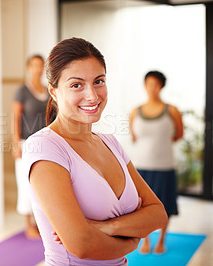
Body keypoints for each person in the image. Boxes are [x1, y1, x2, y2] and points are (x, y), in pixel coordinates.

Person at [22, 37, 168, 265]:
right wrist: (132, 240)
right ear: (53, 91)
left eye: (98, 81)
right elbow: (82, 245)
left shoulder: (110, 143)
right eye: (76, 85)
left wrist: (107, 227)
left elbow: (158, 213)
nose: (92, 95)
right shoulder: (44, 147)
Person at [129, 70, 183, 254]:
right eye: (149, 84)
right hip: (141, 167)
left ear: (161, 87)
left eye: (156, 84)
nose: (152, 88)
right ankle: (145, 241)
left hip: (165, 166)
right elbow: (134, 136)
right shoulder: (135, 112)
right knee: (142, 206)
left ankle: (161, 240)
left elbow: (179, 134)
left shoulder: (172, 110)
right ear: (145, 86)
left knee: (165, 205)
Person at [12, 54, 49, 239]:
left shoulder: (48, 90)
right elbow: (15, 118)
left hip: (45, 143)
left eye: (40, 65)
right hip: (26, 144)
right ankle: (28, 225)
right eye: (34, 65)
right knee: (25, 182)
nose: (37, 69)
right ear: (28, 68)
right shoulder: (22, 91)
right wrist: (15, 143)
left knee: (43, 184)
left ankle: (40, 222)